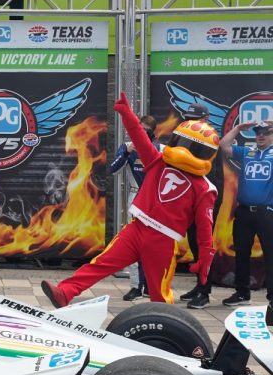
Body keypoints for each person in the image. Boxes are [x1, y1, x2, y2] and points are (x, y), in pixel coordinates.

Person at [41, 92, 218, 307]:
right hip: (137, 228)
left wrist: (205, 260)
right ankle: (65, 292)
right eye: (182, 142)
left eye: (193, 147)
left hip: (162, 240)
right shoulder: (158, 161)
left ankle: (164, 330)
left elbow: (204, 230)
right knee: (100, 263)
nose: (184, 150)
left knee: (159, 294)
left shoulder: (205, 188)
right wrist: (126, 114)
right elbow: (138, 136)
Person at [217, 121, 273, 307]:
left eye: (265, 133)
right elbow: (224, 145)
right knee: (241, 253)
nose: (261, 136)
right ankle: (242, 293)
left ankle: (272, 298)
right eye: (258, 133)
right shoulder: (248, 152)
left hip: (267, 213)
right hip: (243, 212)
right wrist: (238, 129)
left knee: (270, 254)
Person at [174, 104, 224, 308]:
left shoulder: (210, 139)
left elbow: (210, 175)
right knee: (194, 243)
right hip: (190, 198)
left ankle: (204, 292)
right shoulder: (185, 137)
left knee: (204, 246)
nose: (193, 122)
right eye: (189, 118)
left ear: (207, 118)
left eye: (197, 118)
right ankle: (199, 285)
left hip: (206, 197)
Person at [110, 115, 158, 301]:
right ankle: (136, 286)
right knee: (135, 243)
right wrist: (127, 153)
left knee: (154, 244)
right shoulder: (127, 146)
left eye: (146, 130)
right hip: (136, 196)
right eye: (140, 128)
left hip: (155, 199)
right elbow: (113, 170)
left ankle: (151, 286)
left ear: (153, 132)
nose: (142, 133)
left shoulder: (161, 149)